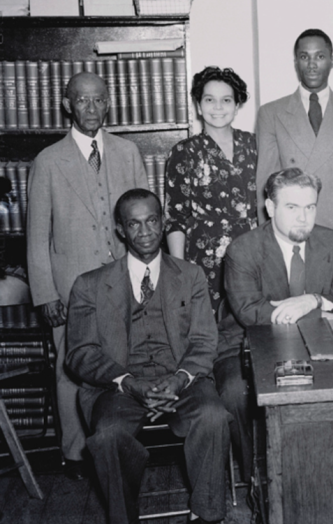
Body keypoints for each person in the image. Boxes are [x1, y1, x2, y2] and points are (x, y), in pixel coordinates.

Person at [65, 189, 230, 524]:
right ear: (121, 230)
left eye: (152, 221)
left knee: (213, 416)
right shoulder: (89, 285)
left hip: (181, 384)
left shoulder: (191, 275)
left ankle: (207, 514)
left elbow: (203, 340)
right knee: (109, 435)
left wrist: (181, 377)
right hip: (120, 390)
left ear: (163, 222)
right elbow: (80, 353)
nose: (145, 232)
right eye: (134, 224)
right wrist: (128, 382)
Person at [26, 71, 148, 480]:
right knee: (71, 367)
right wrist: (45, 292)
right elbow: (37, 235)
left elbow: (146, 223)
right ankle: (76, 454)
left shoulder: (128, 153)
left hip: (123, 280)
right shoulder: (47, 161)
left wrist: (148, 278)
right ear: (67, 104)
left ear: (108, 102)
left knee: (125, 360)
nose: (91, 108)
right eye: (82, 100)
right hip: (71, 286)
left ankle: (121, 443)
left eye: (98, 100)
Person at [216, 167, 333, 483]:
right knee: (236, 392)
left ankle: (331, 472)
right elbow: (250, 313)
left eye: (310, 207)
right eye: (292, 207)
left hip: (317, 341)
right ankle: (258, 476)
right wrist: (321, 307)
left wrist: (313, 300)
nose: (303, 218)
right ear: (270, 208)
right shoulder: (242, 249)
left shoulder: (332, 242)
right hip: (248, 344)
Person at [255, 29, 333, 238]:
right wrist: (268, 239)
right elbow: (266, 182)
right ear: (296, 62)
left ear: (332, 60)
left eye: (319, 56)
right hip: (292, 228)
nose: (311, 64)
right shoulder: (271, 113)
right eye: (304, 57)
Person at [165, 66, 258, 317]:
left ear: (237, 106)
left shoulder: (255, 145)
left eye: (226, 100)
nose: (218, 107)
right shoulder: (183, 152)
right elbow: (176, 218)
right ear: (198, 106)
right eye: (209, 100)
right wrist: (181, 272)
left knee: (256, 327)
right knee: (210, 334)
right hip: (204, 259)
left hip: (254, 253)